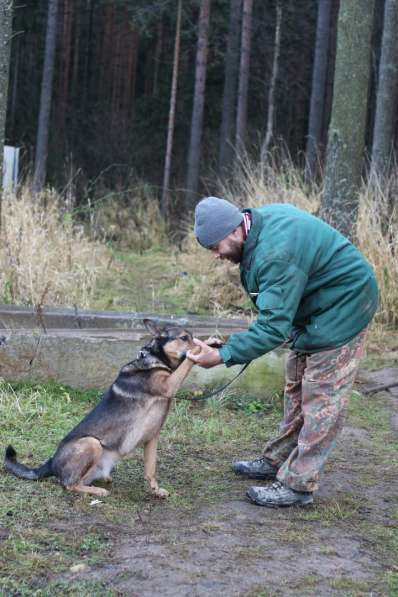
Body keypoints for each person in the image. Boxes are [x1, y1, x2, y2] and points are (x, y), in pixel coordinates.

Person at [186, 197, 379, 507]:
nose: (216, 256)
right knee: (296, 386)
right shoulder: (257, 229)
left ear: (234, 231)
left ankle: (298, 485)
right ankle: (278, 460)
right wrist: (225, 346)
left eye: (215, 247)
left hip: (346, 305)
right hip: (315, 308)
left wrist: (222, 356)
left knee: (321, 398)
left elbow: (273, 329)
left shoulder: (274, 253)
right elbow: (274, 312)